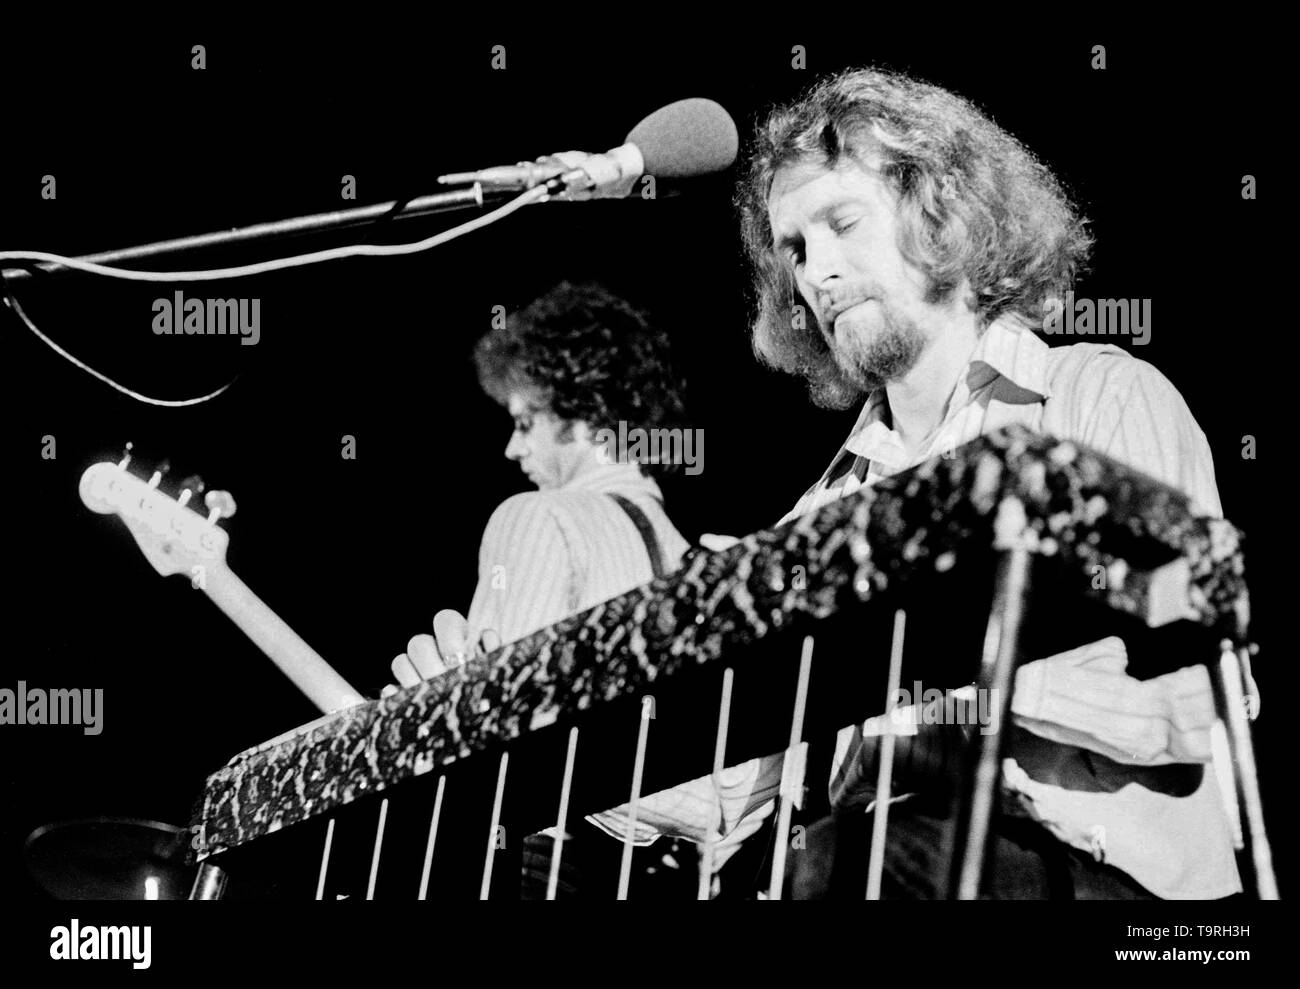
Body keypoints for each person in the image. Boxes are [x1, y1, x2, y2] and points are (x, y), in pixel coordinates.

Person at [729, 66, 1256, 898]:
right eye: (794, 248)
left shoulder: (1101, 398)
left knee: (844, 862)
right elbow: (732, 792)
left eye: (840, 223)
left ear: (941, 213)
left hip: (1111, 881)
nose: (815, 273)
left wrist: (938, 649)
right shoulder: (823, 508)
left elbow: (1193, 707)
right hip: (870, 854)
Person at [388, 281, 770, 897]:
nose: (513, 447)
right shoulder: (701, 564)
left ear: (585, 413)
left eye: (525, 421)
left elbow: (497, 757)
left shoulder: (538, 516)